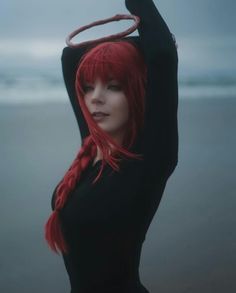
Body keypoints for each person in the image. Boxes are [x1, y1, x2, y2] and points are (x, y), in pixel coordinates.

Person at [45, 0, 178, 292]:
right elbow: (70, 58)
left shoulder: (149, 160)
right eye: (89, 87)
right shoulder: (93, 145)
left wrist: (137, 44)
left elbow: (162, 56)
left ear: (137, 92)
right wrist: (115, 55)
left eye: (114, 86)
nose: (95, 98)